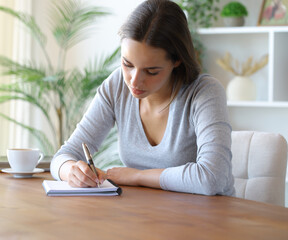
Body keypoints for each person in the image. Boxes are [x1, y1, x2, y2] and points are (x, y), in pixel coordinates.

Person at [50, 0, 235, 196]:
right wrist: (70, 171)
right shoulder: (117, 85)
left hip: (209, 218)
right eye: (127, 64)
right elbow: (63, 156)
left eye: (151, 71)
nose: (134, 81)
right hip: (145, 214)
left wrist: (138, 176)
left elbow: (212, 178)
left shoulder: (204, 92)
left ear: (177, 61)